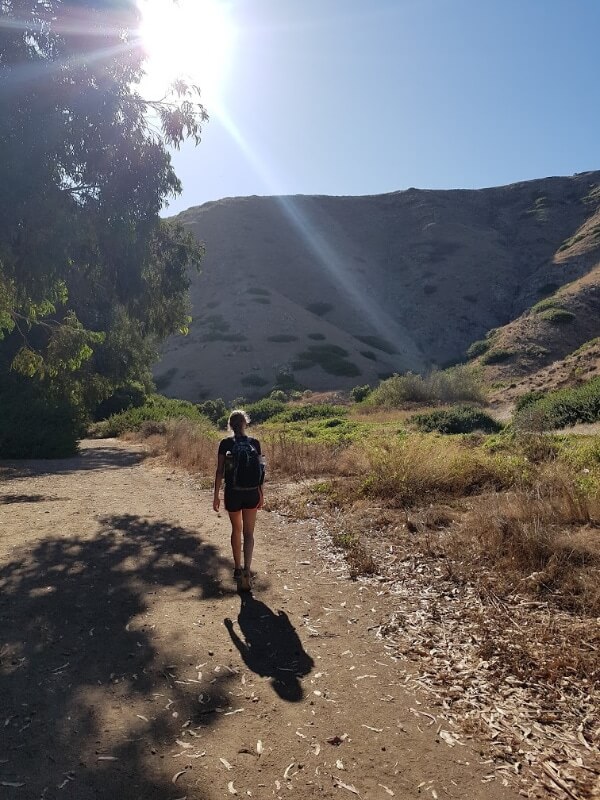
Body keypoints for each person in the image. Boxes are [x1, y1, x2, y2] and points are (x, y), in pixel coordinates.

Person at [213, 409, 264, 591]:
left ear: (229, 425)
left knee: (236, 529)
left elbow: (220, 471)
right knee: (249, 533)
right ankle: (247, 571)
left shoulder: (225, 444)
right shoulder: (255, 443)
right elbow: (261, 471)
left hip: (233, 492)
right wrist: (261, 493)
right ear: (245, 423)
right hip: (252, 492)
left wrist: (216, 495)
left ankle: (236, 568)